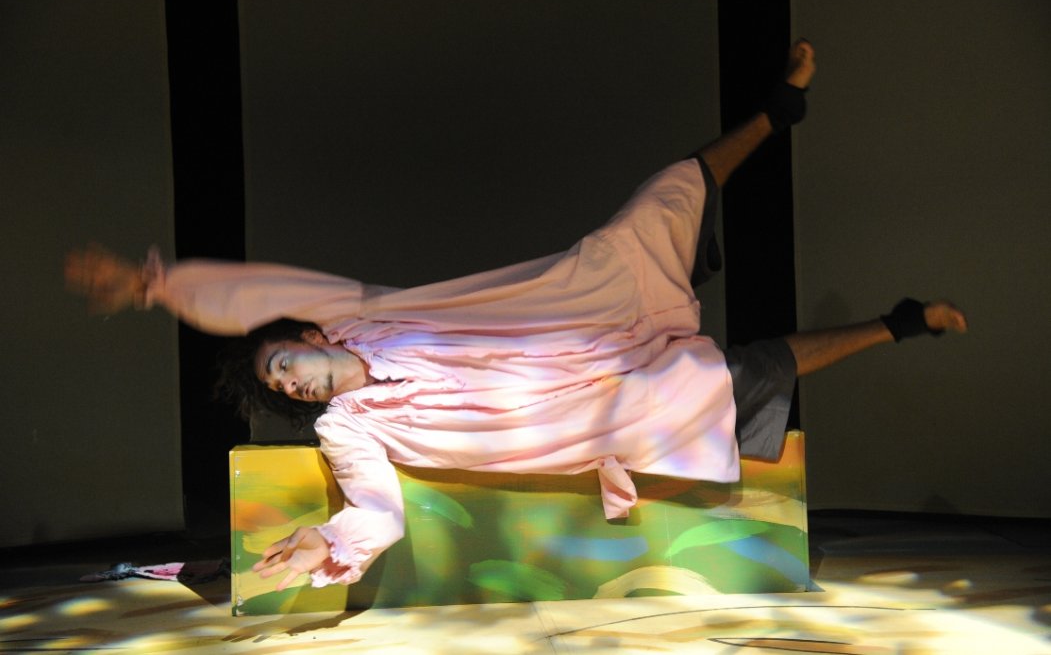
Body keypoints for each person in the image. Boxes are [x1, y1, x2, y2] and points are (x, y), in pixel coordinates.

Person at [65, 40, 967, 592]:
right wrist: (324, 543)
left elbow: (258, 292)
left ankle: (775, 112)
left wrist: (156, 287)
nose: (292, 383)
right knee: (742, 374)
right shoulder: (348, 427)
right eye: (283, 390)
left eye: (282, 364)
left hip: (579, 315)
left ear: (308, 337)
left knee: (659, 200)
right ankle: (896, 324)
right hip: (596, 407)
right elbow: (376, 509)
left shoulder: (362, 318)